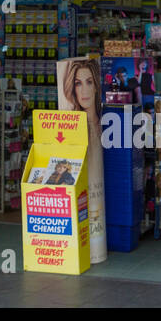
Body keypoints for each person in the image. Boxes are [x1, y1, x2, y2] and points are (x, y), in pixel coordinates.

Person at [60, 56, 106, 264]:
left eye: (89, 82)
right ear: (72, 88)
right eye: (78, 83)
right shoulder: (71, 126)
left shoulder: (105, 123)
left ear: (97, 85)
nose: (84, 90)